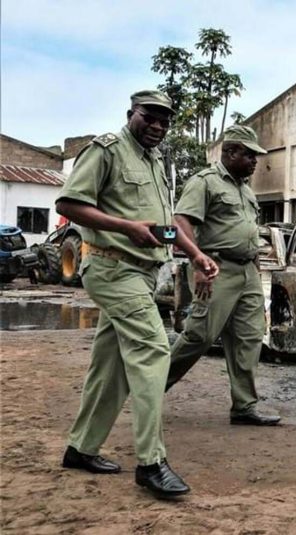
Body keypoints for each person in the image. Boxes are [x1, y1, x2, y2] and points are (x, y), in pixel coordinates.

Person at [56, 90, 219, 498]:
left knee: (109, 366)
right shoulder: (107, 151)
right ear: (132, 114)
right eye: (150, 117)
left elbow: (164, 225)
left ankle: (81, 448)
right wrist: (124, 227)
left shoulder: (156, 162)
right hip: (111, 267)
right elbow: (70, 203)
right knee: (152, 349)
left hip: (141, 273)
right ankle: (150, 463)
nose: (158, 127)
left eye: (165, 121)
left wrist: (196, 255)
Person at [166, 125, 281, 426]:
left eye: (256, 155)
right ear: (229, 152)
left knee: (249, 337)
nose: (255, 161)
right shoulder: (205, 182)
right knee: (199, 335)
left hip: (247, 271)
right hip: (216, 269)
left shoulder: (245, 189)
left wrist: (254, 262)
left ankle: (244, 407)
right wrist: (198, 262)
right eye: (249, 154)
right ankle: (150, 387)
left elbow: (246, 230)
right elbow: (181, 222)